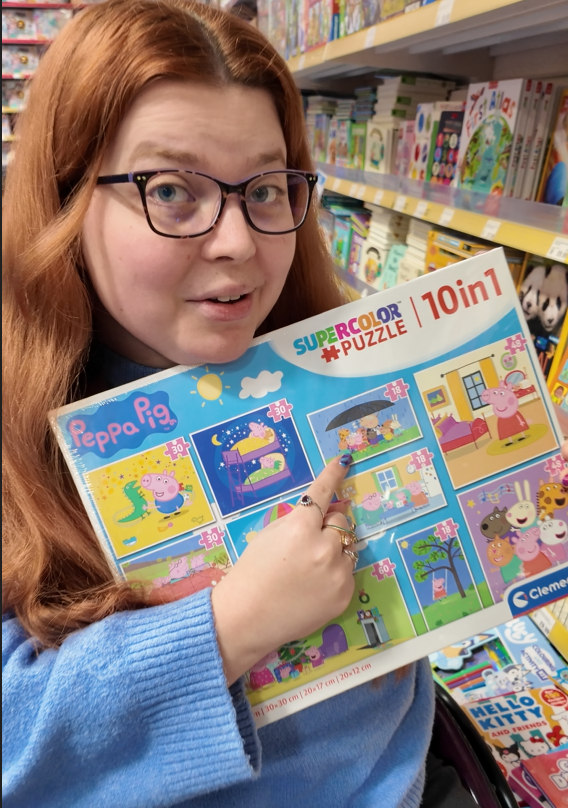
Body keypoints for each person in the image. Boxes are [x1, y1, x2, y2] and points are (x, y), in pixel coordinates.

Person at [0, 2, 512, 806]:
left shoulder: (328, 365)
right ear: (66, 200)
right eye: (171, 189)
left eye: (266, 188)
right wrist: (227, 628)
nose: (239, 241)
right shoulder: (18, 437)